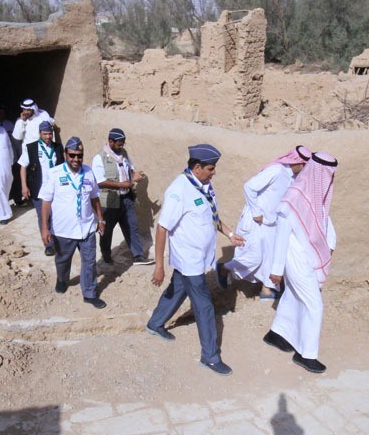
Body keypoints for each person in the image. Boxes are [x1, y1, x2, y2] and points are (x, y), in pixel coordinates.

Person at [146, 144, 245, 376]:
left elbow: (212, 216)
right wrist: (159, 266)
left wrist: (230, 234)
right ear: (197, 167)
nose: (214, 173)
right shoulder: (178, 191)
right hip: (188, 257)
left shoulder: (204, 186)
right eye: (211, 169)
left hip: (198, 258)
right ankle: (210, 356)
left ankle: (155, 323)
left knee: (178, 289)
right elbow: (162, 228)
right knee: (204, 306)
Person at [264, 152, 339, 374]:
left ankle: (277, 334)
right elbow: (281, 236)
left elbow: (323, 220)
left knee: (293, 294)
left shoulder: (313, 194)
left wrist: (330, 244)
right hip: (295, 258)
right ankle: (307, 355)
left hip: (307, 257)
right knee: (314, 305)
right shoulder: (293, 197)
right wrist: (277, 270)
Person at [217, 145, 311, 299]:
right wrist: (256, 212)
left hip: (272, 223)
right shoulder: (277, 171)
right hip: (256, 221)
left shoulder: (293, 178)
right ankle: (224, 268)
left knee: (271, 257)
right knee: (253, 257)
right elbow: (249, 187)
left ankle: (266, 290)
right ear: (299, 163)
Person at [38, 137, 107, 309]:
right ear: (65, 154)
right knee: (62, 259)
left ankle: (89, 293)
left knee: (89, 262)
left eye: (79, 156)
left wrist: (100, 219)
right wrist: (45, 228)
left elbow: (94, 198)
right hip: (63, 230)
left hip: (87, 228)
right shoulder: (54, 174)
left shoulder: (88, 172)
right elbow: (46, 202)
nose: (76, 159)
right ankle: (62, 279)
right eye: (72, 155)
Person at [92, 128, 154, 265]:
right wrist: (121, 185)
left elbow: (129, 169)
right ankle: (106, 256)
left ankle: (138, 256)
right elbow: (99, 182)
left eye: (123, 144)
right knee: (107, 231)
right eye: (119, 144)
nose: (121, 147)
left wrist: (134, 175)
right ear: (110, 141)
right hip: (109, 202)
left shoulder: (124, 153)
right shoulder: (99, 158)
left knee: (132, 227)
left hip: (127, 198)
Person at [19, 120, 64, 255]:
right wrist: (24, 186)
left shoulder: (58, 147)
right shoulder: (31, 148)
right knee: (43, 217)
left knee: (57, 216)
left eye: (50, 134)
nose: (48, 137)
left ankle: (58, 241)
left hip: (56, 189)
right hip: (39, 189)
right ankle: (48, 244)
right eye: (45, 134)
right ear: (39, 133)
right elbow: (23, 167)